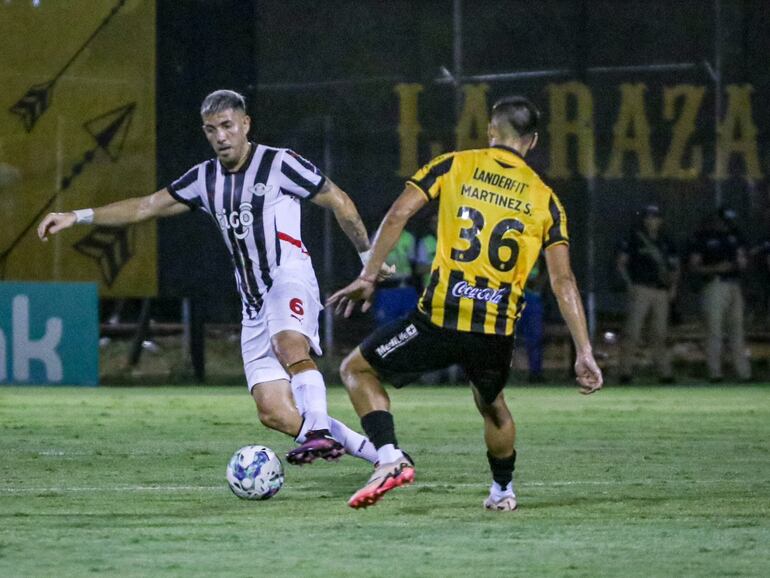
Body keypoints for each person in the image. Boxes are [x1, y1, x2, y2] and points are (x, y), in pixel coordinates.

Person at [37, 89, 389, 466]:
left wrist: (369, 259)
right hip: (253, 302)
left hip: (289, 276)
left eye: (227, 126)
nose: (220, 136)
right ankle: (384, 457)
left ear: (245, 124)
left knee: (291, 347)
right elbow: (145, 207)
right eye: (211, 130)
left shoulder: (279, 163)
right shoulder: (204, 179)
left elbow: (339, 200)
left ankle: (318, 431)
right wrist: (78, 215)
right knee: (274, 412)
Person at [328, 96, 603, 512]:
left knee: (356, 369)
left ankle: (389, 458)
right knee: (492, 406)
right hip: (494, 330)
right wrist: (584, 351)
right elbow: (563, 280)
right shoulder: (546, 199)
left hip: (439, 318)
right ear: (532, 141)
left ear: (492, 131)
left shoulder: (455, 164)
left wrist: (369, 275)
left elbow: (399, 213)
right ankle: (502, 492)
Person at [616, 205, 679, 384]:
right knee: (633, 332)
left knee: (660, 333)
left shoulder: (666, 242)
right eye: (649, 217)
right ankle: (625, 372)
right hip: (641, 288)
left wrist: (673, 287)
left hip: (661, 290)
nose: (652, 221)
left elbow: (674, 267)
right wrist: (629, 285)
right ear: (644, 220)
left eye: (656, 217)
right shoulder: (634, 239)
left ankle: (664, 373)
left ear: (661, 220)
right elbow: (621, 263)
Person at [688, 208, 751, 382]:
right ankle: (715, 373)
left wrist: (740, 263)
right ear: (717, 220)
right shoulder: (704, 237)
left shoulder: (736, 237)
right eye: (725, 220)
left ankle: (744, 373)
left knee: (737, 330)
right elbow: (694, 266)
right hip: (714, 284)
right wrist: (717, 268)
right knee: (714, 330)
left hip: (734, 284)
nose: (727, 224)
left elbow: (743, 261)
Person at [372, 229, 418, 326]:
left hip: (407, 289)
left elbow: (413, 262)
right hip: (388, 290)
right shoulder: (379, 236)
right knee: (385, 326)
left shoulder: (408, 237)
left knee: (410, 326)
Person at [517, 255, 548, 383]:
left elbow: (545, 273)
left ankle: (535, 373)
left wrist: (537, 285)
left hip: (533, 297)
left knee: (535, 338)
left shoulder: (541, 255)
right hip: (514, 296)